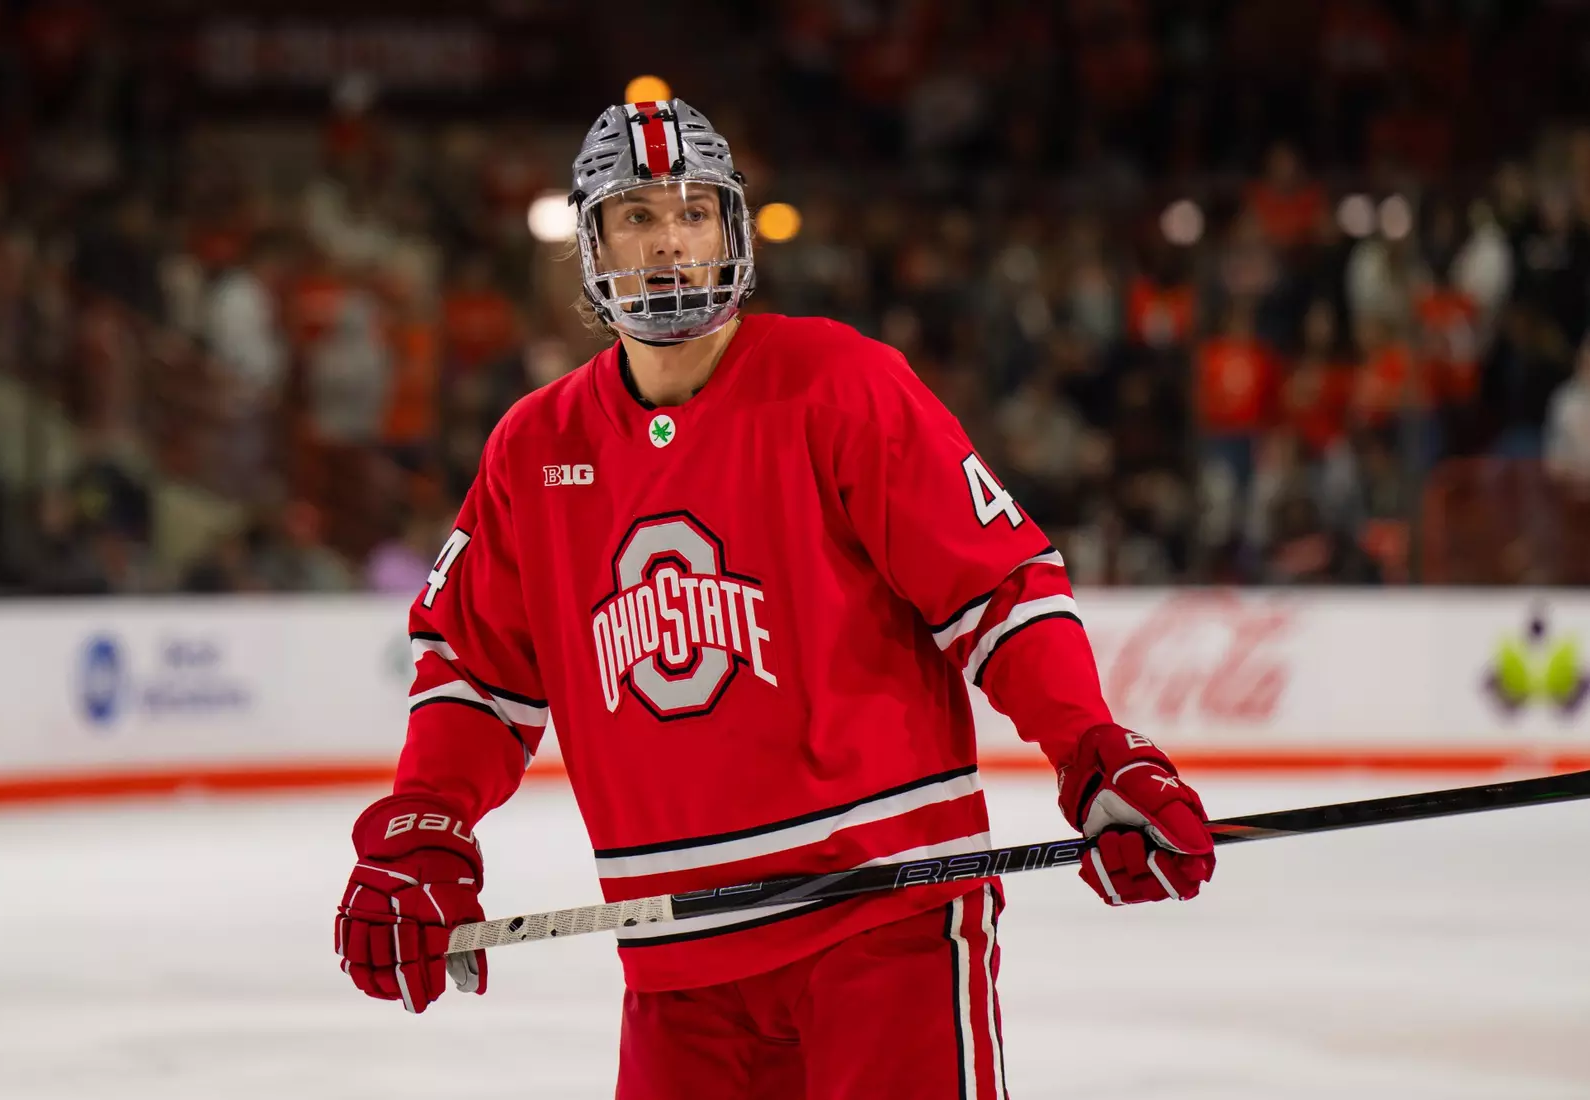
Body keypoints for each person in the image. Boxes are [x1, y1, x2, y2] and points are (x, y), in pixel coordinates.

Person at [334, 99, 1215, 1099]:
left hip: (883, 925)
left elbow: (997, 588)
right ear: (591, 242)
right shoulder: (533, 451)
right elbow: (474, 672)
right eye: (636, 215)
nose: (669, 240)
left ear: (732, 230)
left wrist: (1088, 745)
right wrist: (424, 823)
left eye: (694, 211)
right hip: (675, 962)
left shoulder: (843, 384)